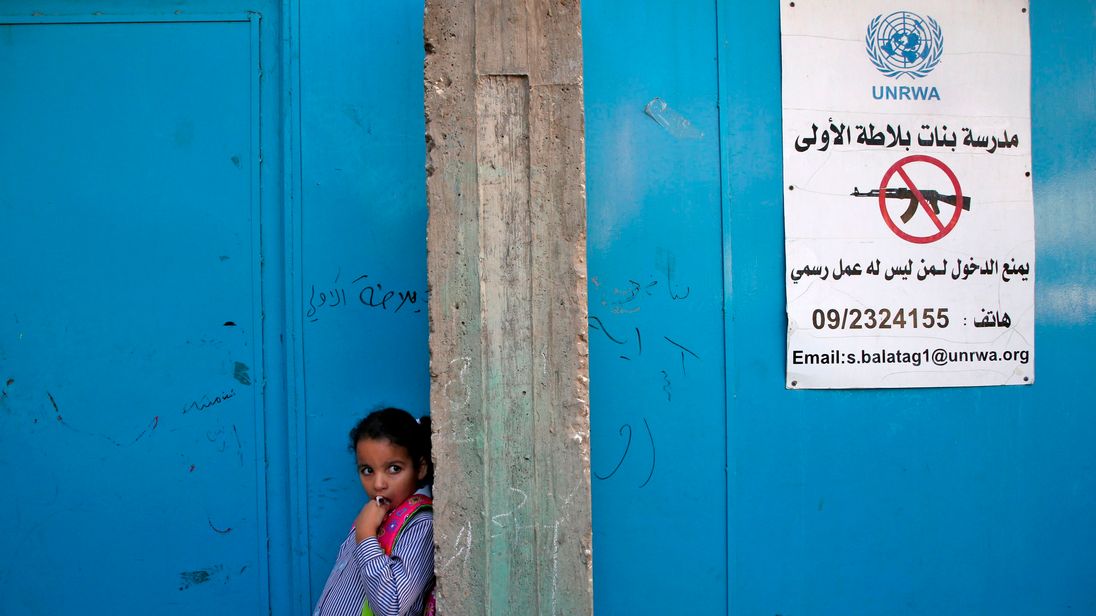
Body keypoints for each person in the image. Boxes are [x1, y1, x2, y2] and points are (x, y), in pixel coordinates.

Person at [313, 407, 436, 616]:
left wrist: (366, 537)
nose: (378, 484)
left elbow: (391, 607)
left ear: (421, 468)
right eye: (367, 470)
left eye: (394, 468)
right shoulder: (374, 515)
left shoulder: (421, 524)